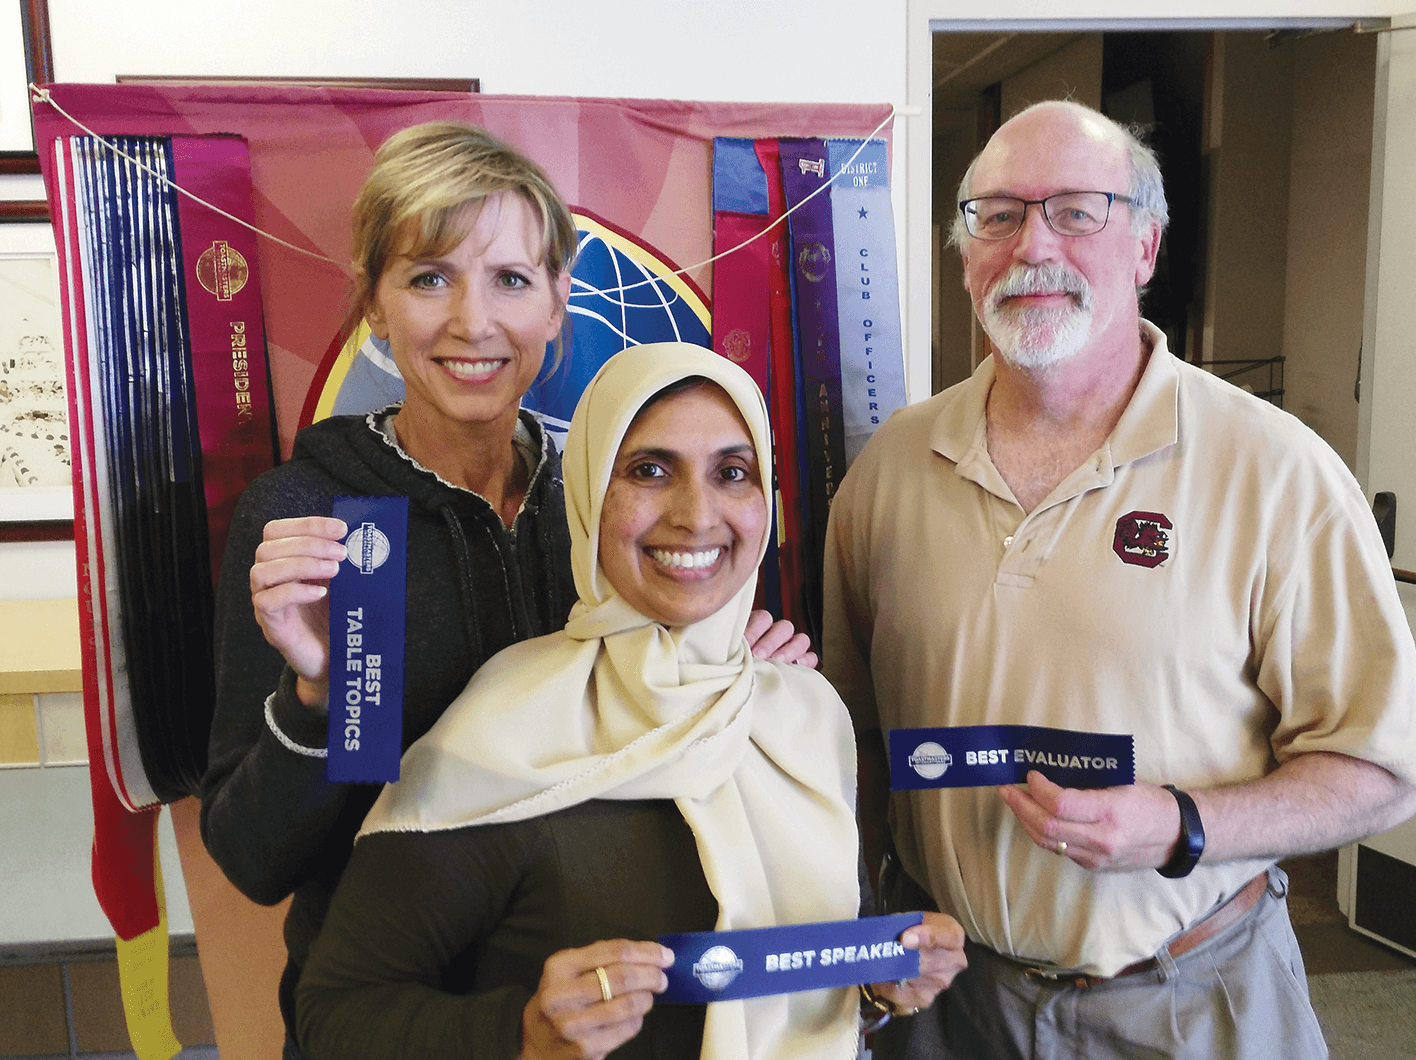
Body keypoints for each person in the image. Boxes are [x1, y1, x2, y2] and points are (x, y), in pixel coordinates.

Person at [821, 99, 1416, 1060]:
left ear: (1146, 246)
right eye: (998, 214)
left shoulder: (1277, 473)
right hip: (949, 1008)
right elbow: (851, 740)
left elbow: (1383, 770)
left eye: (1076, 211)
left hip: (1189, 1004)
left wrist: (1183, 826)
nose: (1032, 246)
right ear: (965, 250)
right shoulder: (890, 470)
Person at [201, 122, 812, 1057]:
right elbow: (254, 861)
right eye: (429, 277)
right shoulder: (312, 520)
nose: (473, 322)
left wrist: (737, 682)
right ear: (372, 303)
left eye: (511, 281)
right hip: (385, 1020)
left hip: (603, 1006)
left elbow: (657, 749)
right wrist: (319, 700)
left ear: (559, 304)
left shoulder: (611, 501)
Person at [296, 342, 967, 1060]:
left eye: (732, 473)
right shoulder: (503, 730)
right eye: (650, 470)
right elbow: (336, 1016)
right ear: (588, 491)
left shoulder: (802, 716)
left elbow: (803, 981)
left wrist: (875, 986)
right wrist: (520, 1035)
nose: (696, 514)